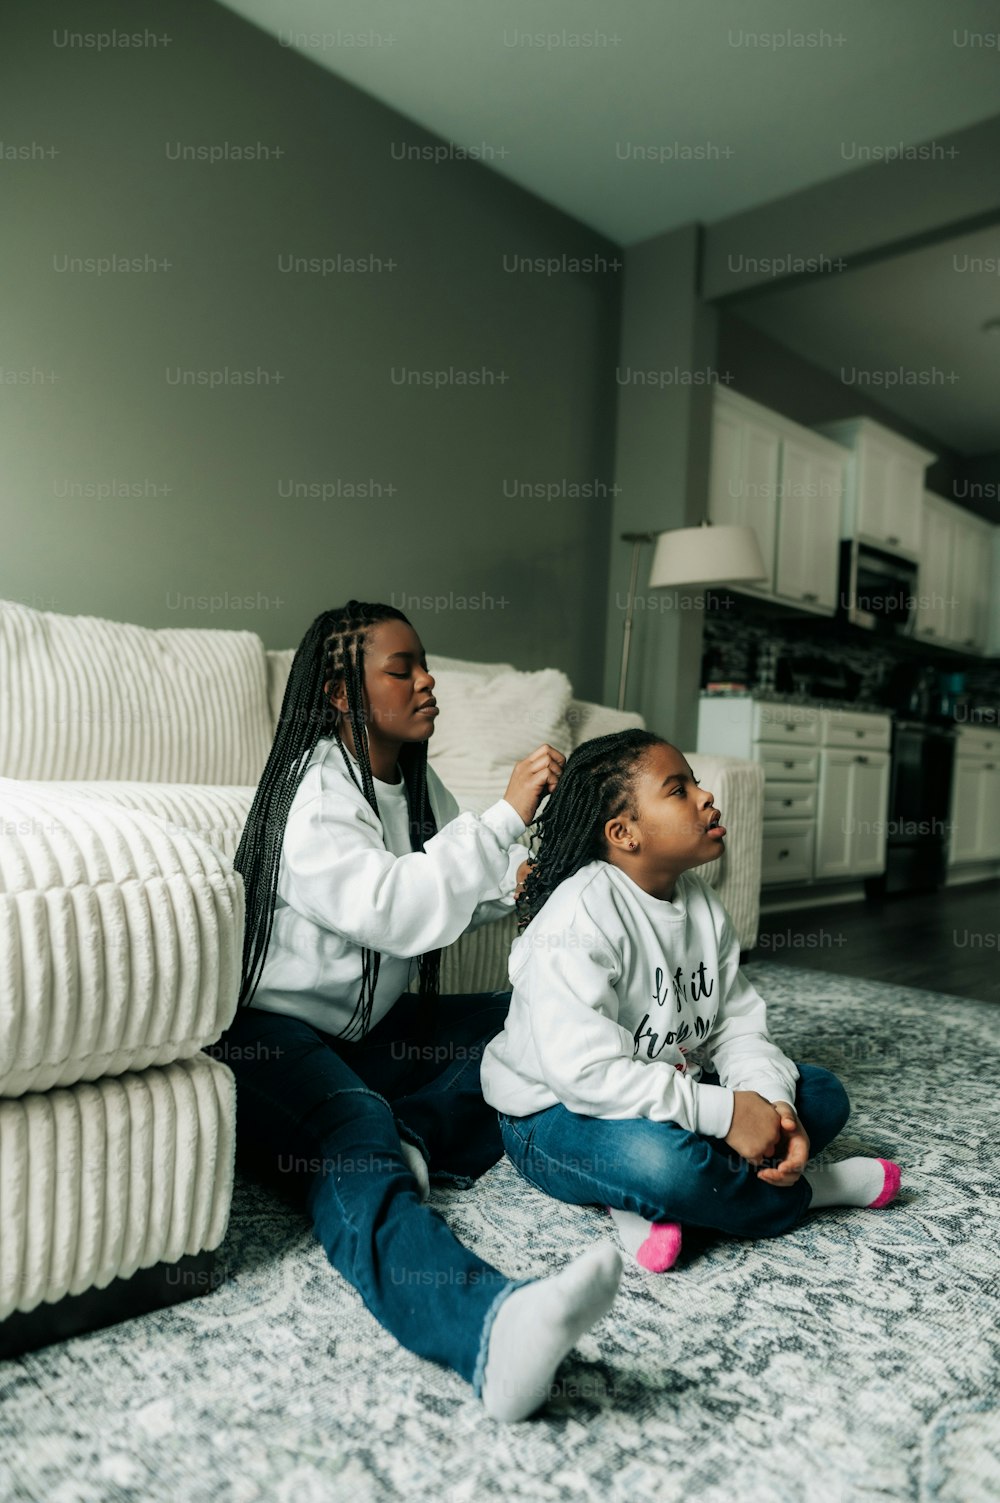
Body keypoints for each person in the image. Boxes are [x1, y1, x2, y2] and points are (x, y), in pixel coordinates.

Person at [214, 602, 621, 1422]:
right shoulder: (313, 791)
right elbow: (393, 907)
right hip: (271, 1041)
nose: (427, 679)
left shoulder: (408, 779)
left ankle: (420, 1132)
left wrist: (515, 884)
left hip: (373, 1035)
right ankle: (487, 1328)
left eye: (423, 663)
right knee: (352, 1139)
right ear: (340, 692)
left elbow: (443, 899)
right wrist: (502, 816)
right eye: (402, 668)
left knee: (535, 1016)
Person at [480, 729, 901, 1274]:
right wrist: (724, 1114)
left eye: (696, 784)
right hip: (553, 1114)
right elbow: (585, 1076)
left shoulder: (701, 902)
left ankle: (648, 1201)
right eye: (678, 790)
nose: (705, 797)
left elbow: (735, 1028)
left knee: (820, 1095)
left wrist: (771, 1106)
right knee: (664, 1165)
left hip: (663, 1091)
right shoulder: (580, 916)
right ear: (624, 832)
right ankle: (811, 1192)